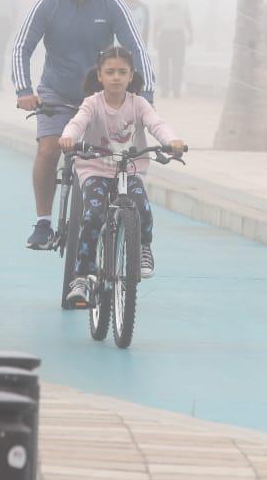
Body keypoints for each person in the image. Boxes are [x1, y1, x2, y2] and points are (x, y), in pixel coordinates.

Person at [13, 0, 155, 250]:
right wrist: (24, 91)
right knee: (49, 149)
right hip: (57, 94)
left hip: (101, 96)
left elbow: (138, 50)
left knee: (113, 158)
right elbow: (22, 46)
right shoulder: (47, 3)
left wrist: (147, 96)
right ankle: (43, 223)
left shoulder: (112, 4)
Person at [59, 46, 186, 307]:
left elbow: (156, 124)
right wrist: (69, 136)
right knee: (92, 215)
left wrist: (171, 140)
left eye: (122, 72)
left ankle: (143, 250)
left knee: (142, 207)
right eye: (110, 72)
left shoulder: (138, 103)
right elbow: (78, 122)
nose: (116, 77)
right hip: (95, 168)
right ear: (100, 76)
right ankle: (82, 277)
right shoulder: (92, 103)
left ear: (131, 76)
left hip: (129, 169)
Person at [154, 0, 194, 98]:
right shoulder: (182, 0)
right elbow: (187, 20)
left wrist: (154, 37)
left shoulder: (160, 1)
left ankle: (165, 90)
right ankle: (176, 90)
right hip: (178, 35)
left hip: (166, 35)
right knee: (177, 63)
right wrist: (191, 35)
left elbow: (157, 22)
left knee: (164, 64)